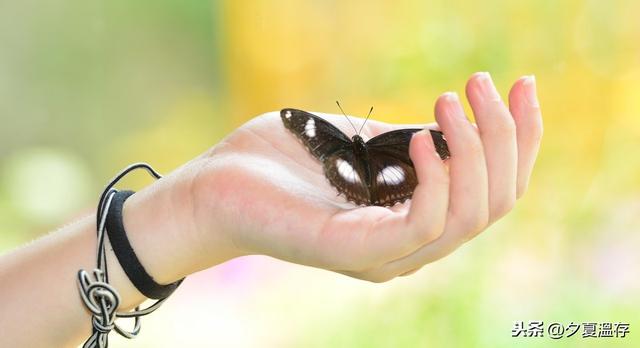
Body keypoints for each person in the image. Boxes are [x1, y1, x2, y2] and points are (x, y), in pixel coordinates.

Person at [0, 72, 542, 347]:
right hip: (368, 169)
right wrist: (194, 209)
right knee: (392, 168)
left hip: (364, 169)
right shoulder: (322, 136)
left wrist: (190, 212)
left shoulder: (333, 142)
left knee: (403, 161)